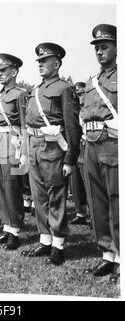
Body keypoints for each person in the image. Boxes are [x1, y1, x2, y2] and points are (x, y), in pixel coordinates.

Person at [21, 43, 81, 265]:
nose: (40, 65)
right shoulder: (36, 90)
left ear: (56, 64)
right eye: (39, 61)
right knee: (39, 196)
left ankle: (58, 245)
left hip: (53, 147)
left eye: (44, 61)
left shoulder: (63, 88)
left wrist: (70, 158)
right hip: (34, 145)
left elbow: (72, 126)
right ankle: (45, 240)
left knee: (56, 195)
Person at [81, 24, 119, 283]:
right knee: (97, 202)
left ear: (117, 47)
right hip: (91, 145)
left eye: (104, 46)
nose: (100, 52)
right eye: (96, 48)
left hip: (113, 144)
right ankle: (108, 254)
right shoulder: (92, 81)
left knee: (118, 202)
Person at [0, 53, 27, 250]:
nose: (0, 74)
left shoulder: (20, 94)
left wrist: (24, 150)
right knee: (0, 185)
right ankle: (7, 227)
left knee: (12, 186)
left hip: (12, 142)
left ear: (14, 71)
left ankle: (16, 230)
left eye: (4, 71)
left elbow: (25, 124)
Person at [69, 82, 89, 225]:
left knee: (89, 181)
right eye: (76, 95)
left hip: (88, 145)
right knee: (76, 183)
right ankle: (80, 212)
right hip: (77, 148)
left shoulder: (90, 109)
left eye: (81, 93)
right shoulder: (73, 110)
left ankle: (95, 215)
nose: (79, 97)